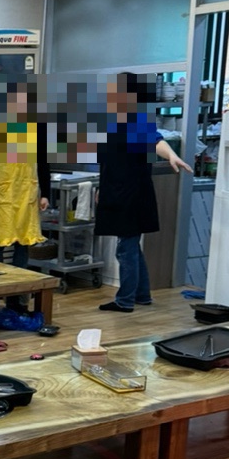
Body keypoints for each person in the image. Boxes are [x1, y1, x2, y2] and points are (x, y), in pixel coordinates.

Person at [94, 76, 192, 313]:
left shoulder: (134, 120)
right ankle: (142, 294)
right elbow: (108, 163)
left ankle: (125, 301)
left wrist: (171, 155)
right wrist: (101, 189)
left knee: (125, 248)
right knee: (131, 246)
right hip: (118, 192)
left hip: (131, 195)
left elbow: (155, 140)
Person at [0, 83, 51, 269]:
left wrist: (45, 194)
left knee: (23, 241)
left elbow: (44, 162)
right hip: (2, 193)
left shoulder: (38, 126)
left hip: (27, 192)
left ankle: (20, 286)